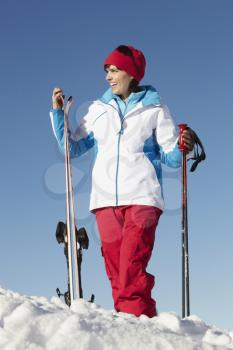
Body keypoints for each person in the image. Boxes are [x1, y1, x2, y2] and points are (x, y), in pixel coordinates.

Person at [50, 45, 194, 318]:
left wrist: (181, 145)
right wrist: (60, 116)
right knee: (117, 273)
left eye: (114, 70)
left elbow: (171, 157)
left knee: (130, 269)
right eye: (107, 71)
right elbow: (72, 148)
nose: (108, 76)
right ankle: (137, 330)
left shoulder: (155, 109)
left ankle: (139, 333)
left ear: (132, 73)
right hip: (104, 201)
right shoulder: (98, 110)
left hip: (142, 198)